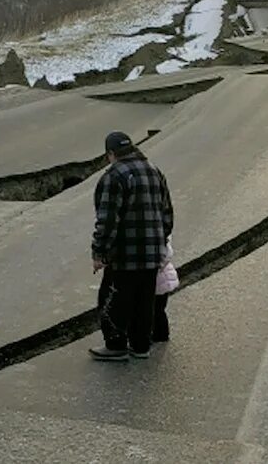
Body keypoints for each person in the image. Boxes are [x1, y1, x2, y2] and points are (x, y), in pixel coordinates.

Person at [90, 131, 174, 362]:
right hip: (152, 254)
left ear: (110, 154)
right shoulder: (155, 171)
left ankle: (115, 345)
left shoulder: (114, 176)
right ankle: (140, 346)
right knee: (144, 300)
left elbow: (107, 220)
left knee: (111, 299)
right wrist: (160, 242)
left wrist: (100, 252)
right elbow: (167, 214)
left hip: (125, 255)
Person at [153, 237, 179, 342]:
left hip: (160, 279)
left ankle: (159, 334)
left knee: (156, 310)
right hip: (164, 279)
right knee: (159, 309)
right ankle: (161, 334)